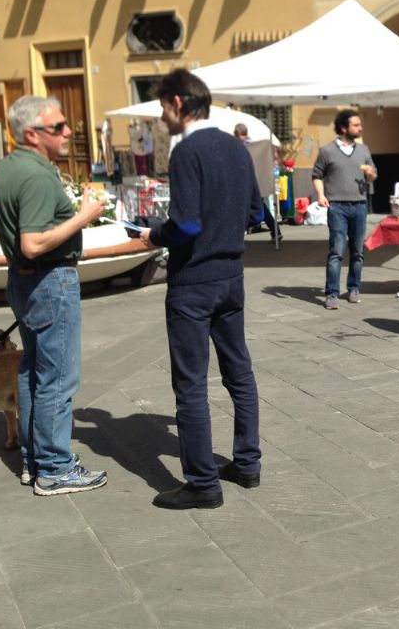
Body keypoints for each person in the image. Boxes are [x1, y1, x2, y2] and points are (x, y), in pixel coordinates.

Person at [138, 69, 265, 510]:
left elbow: (187, 224)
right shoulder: (236, 146)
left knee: (191, 385)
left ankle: (202, 484)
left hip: (193, 283)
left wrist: (155, 236)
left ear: (177, 102)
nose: (160, 116)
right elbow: (257, 212)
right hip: (232, 277)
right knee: (239, 373)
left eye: (161, 107)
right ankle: (248, 464)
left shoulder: (187, 152)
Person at [0, 95, 108, 496]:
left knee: (33, 371)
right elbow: (33, 243)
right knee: (57, 378)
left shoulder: (7, 168)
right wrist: (85, 215)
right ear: (32, 134)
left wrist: (14, 247)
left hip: (23, 280)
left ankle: (36, 461)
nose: (68, 132)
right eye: (59, 127)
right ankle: (54, 468)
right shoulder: (35, 175)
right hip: (49, 281)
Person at [312, 110, 377, 309]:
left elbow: (373, 175)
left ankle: (354, 288)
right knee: (336, 251)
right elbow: (317, 175)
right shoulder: (327, 151)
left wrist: (370, 174)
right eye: (356, 125)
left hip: (359, 205)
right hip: (337, 207)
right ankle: (331, 293)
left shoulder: (364, 150)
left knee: (357, 251)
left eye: (360, 125)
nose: (360, 128)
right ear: (343, 128)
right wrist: (321, 196)